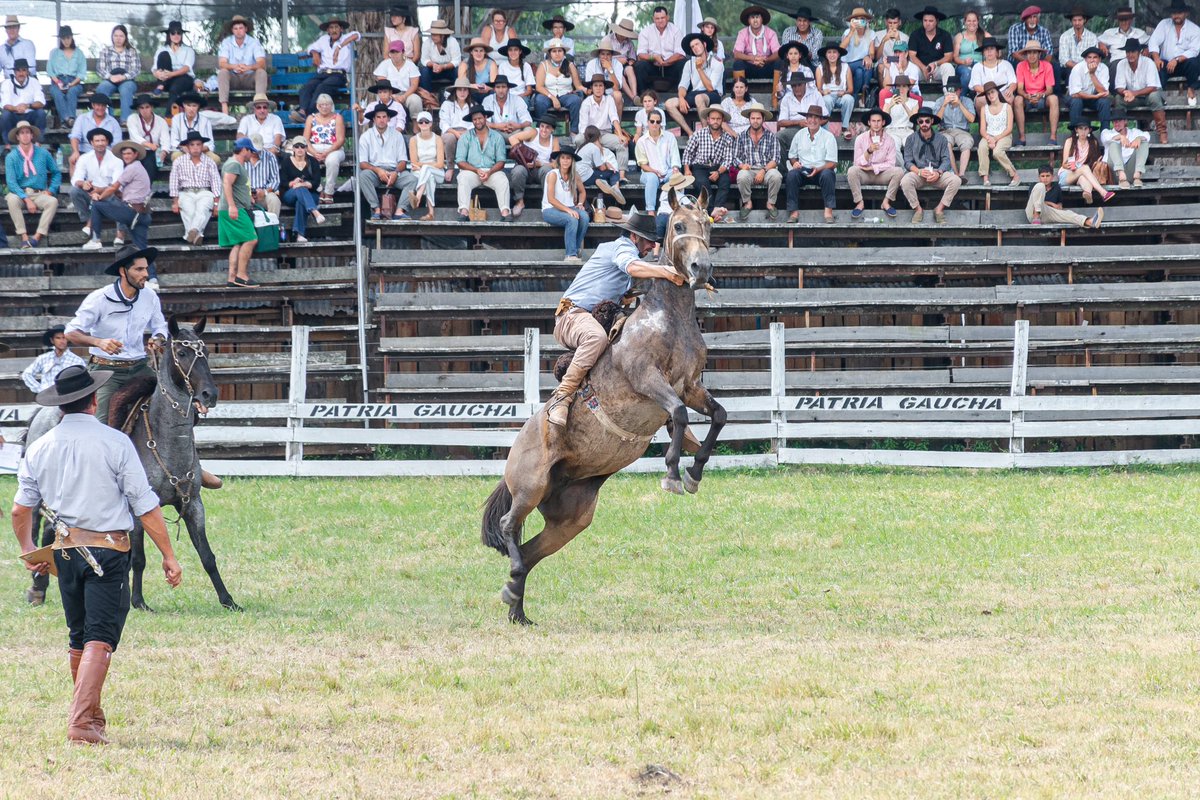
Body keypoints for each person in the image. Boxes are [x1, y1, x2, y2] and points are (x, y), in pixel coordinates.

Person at [12, 361, 183, 744]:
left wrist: (29, 552)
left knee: (80, 636)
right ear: (93, 400)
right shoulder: (116, 442)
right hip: (107, 551)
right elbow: (145, 506)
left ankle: (91, 716)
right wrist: (168, 555)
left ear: (61, 406)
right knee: (100, 637)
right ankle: (81, 724)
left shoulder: (39, 447)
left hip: (65, 553)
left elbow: (20, 510)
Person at [545, 210, 682, 426]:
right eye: (647, 241)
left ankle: (669, 413)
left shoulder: (625, 253)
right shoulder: (621, 247)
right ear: (634, 236)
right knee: (596, 338)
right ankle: (562, 397)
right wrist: (665, 271)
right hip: (571, 316)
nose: (650, 247)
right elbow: (631, 266)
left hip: (590, 317)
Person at [64, 245, 167, 424]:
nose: (146, 274)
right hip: (106, 371)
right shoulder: (99, 298)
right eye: (139, 269)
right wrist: (98, 342)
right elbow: (70, 333)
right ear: (123, 271)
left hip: (140, 367)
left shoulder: (150, 296)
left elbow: (160, 326)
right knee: (100, 423)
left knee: (172, 401)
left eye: (146, 268)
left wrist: (158, 338)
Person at [83, 140, 152, 257]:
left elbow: (113, 188)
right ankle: (152, 275)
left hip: (131, 211)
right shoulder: (138, 168)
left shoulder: (132, 168)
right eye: (124, 154)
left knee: (96, 205)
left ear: (136, 155)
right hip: (142, 214)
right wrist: (99, 190)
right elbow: (119, 192)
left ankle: (95, 240)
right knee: (142, 251)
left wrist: (99, 197)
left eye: (129, 153)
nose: (126, 156)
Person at [900, 106, 961, 224]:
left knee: (956, 181)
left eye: (927, 121)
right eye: (921, 121)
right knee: (905, 181)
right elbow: (907, 161)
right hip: (918, 173)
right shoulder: (910, 139)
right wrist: (918, 171)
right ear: (917, 122)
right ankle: (918, 209)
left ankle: (939, 209)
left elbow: (946, 160)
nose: (924, 124)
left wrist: (938, 173)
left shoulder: (942, 139)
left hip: (937, 173)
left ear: (932, 121)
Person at [6, 121, 60, 249]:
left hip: (39, 193)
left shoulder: (43, 153)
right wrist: (25, 198)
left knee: (52, 201)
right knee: (11, 200)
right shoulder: (11, 156)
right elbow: (11, 183)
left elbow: (56, 172)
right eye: (22, 133)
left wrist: (51, 190)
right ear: (17, 137)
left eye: (27, 132)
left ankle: (37, 237)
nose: (25, 135)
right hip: (20, 193)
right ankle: (24, 237)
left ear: (32, 135)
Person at [295, 18, 360, 121]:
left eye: (336, 27)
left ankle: (309, 116)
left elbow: (356, 35)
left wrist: (339, 46)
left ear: (341, 29)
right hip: (323, 74)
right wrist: (315, 53)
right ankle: (302, 111)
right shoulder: (324, 39)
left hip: (338, 75)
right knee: (306, 87)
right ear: (328, 30)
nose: (334, 30)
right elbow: (311, 47)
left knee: (322, 88)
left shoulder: (346, 38)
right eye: (331, 28)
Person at [455, 104, 512, 221]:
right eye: (474, 119)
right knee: (463, 177)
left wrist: (490, 172)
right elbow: (460, 161)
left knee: (503, 180)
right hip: (472, 171)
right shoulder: (465, 137)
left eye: (480, 118)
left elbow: (501, 161)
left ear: (485, 117)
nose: (477, 122)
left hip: (492, 171)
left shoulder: (497, 137)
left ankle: (505, 212)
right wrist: (476, 170)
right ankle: (464, 211)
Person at [358, 106, 415, 221]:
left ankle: (400, 211)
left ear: (389, 118)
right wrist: (378, 171)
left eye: (384, 117)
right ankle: (376, 210)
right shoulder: (366, 136)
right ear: (373, 119)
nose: (381, 119)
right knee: (363, 176)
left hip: (394, 170)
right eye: (378, 117)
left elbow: (403, 161)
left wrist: (395, 173)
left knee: (412, 179)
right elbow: (363, 163)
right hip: (375, 171)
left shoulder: (397, 135)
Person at [218, 138, 261, 288]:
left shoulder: (237, 165)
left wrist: (248, 197)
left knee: (238, 244)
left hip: (237, 207)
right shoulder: (233, 164)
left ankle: (231, 278)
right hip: (234, 209)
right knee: (251, 239)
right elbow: (227, 183)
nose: (251, 154)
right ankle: (241, 276)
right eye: (250, 151)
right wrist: (232, 206)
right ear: (244, 150)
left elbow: (236, 186)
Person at [848, 107, 904, 218]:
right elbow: (857, 162)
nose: (876, 124)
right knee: (852, 171)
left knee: (899, 171)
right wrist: (868, 152)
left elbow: (890, 163)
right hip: (865, 173)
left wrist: (874, 167)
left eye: (879, 121)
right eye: (873, 121)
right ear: (869, 122)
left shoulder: (890, 140)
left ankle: (886, 202)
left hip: (881, 174)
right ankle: (859, 202)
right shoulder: (860, 139)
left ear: (883, 122)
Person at [784, 105, 837, 223]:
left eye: (816, 117)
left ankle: (828, 211)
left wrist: (818, 169)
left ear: (821, 120)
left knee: (828, 175)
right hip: (803, 169)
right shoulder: (799, 135)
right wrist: (795, 163)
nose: (812, 120)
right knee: (792, 175)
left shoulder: (828, 137)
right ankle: (793, 212)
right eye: (810, 117)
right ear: (806, 119)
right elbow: (792, 156)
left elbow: (832, 163)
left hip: (822, 170)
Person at [681, 106, 735, 218]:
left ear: (722, 120)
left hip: (718, 167)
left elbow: (728, 159)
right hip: (700, 166)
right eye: (713, 118)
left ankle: (717, 208)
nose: (715, 121)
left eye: (718, 119)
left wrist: (718, 173)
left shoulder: (727, 138)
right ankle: (712, 211)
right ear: (708, 120)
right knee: (702, 183)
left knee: (725, 182)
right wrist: (687, 169)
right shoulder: (699, 134)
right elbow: (688, 153)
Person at [169, 131, 220, 245]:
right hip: (186, 192)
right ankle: (198, 235)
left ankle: (191, 234)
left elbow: (216, 182)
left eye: (198, 144)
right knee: (189, 210)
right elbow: (174, 182)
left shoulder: (209, 162)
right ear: (187, 147)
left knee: (202, 209)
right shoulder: (179, 161)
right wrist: (175, 202)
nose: (195, 148)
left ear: (202, 146)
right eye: (192, 145)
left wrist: (216, 203)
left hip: (205, 191)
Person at [733, 102, 782, 221]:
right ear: (749, 119)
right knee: (741, 176)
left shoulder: (771, 136)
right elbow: (735, 157)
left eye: (758, 118)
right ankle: (747, 202)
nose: (755, 121)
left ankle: (771, 203)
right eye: (753, 118)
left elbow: (776, 159)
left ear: (763, 119)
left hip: (767, 170)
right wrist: (742, 165)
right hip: (749, 170)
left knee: (776, 176)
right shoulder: (741, 136)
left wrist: (763, 170)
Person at [541, 145, 589, 262]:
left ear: (572, 161)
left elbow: (582, 192)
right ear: (559, 160)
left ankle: (576, 249)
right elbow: (551, 199)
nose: (565, 161)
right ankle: (570, 255)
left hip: (570, 207)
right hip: (550, 209)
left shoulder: (575, 175)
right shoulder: (553, 174)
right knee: (571, 219)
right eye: (563, 158)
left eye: (568, 158)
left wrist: (581, 203)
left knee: (584, 216)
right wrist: (568, 210)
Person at [1149, 0, 1200, 108]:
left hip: (1184, 63)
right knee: (1157, 66)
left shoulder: (1195, 29)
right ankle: (1160, 96)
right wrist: (1157, 59)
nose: (1176, 16)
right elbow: (1153, 41)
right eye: (1174, 13)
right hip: (1166, 64)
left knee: (1194, 62)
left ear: (1186, 14)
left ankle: (1191, 89)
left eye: (1179, 13)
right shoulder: (1164, 24)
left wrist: (1176, 60)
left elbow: (1194, 50)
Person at [70, 129, 123, 233]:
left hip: (109, 194)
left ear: (107, 142)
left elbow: (117, 185)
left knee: (119, 197)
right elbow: (76, 179)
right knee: (74, 191)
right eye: (97, 141)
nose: (100, 143)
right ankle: (88, 219)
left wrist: (100, 191)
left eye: (103, 140)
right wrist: (83, 183)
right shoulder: (84, 158)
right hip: (90, 193)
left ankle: (92, 225)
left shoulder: (117, 160)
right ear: (91, 143)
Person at [1116, 40, 1169, 143]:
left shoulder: (1149, 63)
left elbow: (1152, 87)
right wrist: (1125, 93)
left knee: (1154, 96)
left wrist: (1133, 93)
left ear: (1139, 52)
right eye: (1128, 52)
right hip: (1132, 97)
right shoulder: (1121, 64)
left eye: (1133, 52)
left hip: (1148, 95)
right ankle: (1121, 133)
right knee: (1118, 99)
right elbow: (1119, 87)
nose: (1130, 55)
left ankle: (1162, 131)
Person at [216, 15, 268, 116]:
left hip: (249, 77)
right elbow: (222, 63)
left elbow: (261, 63)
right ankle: (224, 110)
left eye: (241, 28)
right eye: (235, 28)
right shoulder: (226, 42)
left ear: (246, 29)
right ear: (232, 30)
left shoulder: (254, 42)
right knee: (223, 72)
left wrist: (249, 67)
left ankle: (259, 107)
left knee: (261, 72)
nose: (238, 31)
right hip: (233, 77)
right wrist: (234, 66)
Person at [533, 39, 584, 136]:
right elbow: (539, 87)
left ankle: (574, 132)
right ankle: (542, 131)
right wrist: (552, 98)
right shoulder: (544, 65)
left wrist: (588, 90)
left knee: (575, 100)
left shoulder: (569, 65)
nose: (557, 54)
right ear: (549, 53)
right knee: (539, 101)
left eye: (560, 51)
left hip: (565, 94)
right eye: (554, 51)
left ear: (564, 52)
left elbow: (578, 86)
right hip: (547, 94)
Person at [279, 136, 325, 243]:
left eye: (302, 146)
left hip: (310, 193)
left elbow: (316, 181)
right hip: (290, 194)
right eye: (296, 146)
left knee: (301, 199)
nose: (299, 149)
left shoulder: (313, 161)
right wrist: (293, 183)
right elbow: (283, 182)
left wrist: (304, 184)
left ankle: (300, 235)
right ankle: (315, 211)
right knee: (299, 189)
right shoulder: (286, 162)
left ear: (306, 148)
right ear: (293, 149)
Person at [302, 94, 346, 204]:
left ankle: (329, 192)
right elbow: (305, 140)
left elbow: (340, 140)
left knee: (332, 161)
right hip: (314, 147)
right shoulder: (311, 118)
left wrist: (327, 152)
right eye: (321, 105)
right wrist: (314, 152)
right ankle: (319, 189)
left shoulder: (337, 117)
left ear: (331, 106)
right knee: (305, 159)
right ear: (317, 106)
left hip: (334, 148)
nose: (324, 107)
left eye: (327, 105)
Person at [1027, 163, 1102, 227]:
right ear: (1039, 177)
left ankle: (1089, 221)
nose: (1045, 178)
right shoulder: (1034, 185)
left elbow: (1059, 205)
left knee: (1067, 213)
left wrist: (1058, 206)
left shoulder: (1056, 187)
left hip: (1047, 214)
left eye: (1047, 176)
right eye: (1042, 176)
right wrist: (1052, 204)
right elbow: (1035, 202)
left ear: (1052, 177)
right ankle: (1036, 218)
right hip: (1032, 213)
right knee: (1040, 186)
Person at [1014, 40, 1059, 146]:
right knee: (1017, 99)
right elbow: (1020, 88)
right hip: (1027, 97)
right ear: (1026, 55)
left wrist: (1041, 95)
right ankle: (1022, 137)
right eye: (1029, 53)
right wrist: (1026, 95)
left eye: (1035, 52)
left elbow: (1049, 89)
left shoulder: (1047, 65)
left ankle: (1053, 137)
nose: (1032, 55)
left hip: (1042, 96)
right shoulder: (1021, 65)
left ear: (1039, 54)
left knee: (1054, 99)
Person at [635, 108, 681, 211]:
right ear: (647, 122)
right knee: (652, 178)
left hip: (668, 171)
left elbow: (675, 155)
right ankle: (650, 210)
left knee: (678, 177)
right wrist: (654, 171)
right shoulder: (641, 141)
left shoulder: (670, 137)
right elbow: (643, 165)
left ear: (661, 123)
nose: (655, 124)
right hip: (649, 172)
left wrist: (675, 169)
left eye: (658, 121)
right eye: (652, 121)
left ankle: (676, 208)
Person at [1059, 120, 1113, 204]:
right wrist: (1074, 167)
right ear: (1076, 130)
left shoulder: (1093, 142)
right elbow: (1064, 164)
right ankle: (1104, 193)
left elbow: (1093, 163)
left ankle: (1087, 193)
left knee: (1082, 177)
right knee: (1084, 168)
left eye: (1085, 129)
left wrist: (1096, 162)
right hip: (1067, 174)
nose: (1083, 132)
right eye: (1080, 129)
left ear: (1089, 130)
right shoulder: (1070, 141)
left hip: (1083, 174)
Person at [977, 82, 1019, 186]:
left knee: (997, 152)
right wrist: (989, 138)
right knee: (981, 147)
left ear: (997, 92)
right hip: (989, 135)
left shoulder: (1007, 107)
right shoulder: (984, 108)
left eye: (993, 92)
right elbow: (982, 129)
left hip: (1004, 135)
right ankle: (985, 178)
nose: (991, 95)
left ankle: (1014, 174)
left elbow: (1009, 128)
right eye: (988, 94)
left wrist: (995, 139)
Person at [22, 326, 85, 393]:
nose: (62, 341)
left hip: (67, 398)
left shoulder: (77, 361)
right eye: (58, 338)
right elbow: (27, 374)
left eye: (64, 338)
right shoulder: (43, 358)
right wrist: (40, 390)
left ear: (67, 339)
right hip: (47, 398)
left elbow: (83, 380)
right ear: (52, 340)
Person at [933, 77, 976, 176]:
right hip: (945, 130)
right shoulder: (940, 101)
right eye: (950, 89)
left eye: (955, 89)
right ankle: (956, 175)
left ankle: (962, 174)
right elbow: (935, 121)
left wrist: (960, 104)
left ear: (960, 90)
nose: (952, 92)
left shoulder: (967, 101)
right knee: (945, 143)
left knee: (967, 143)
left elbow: (972, 119)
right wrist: (944, 104)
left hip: (962, 131)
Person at [371, 47, 423, 130]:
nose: (395, 55)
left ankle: (416, 127)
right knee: (382, 97)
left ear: (403, 52)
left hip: (407, 93)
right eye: (392, 52)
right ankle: (384, 127)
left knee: (415, 100)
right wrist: (392, 95)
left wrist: (404, 96)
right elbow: (381, 83)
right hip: (389, 92)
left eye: (397, 52)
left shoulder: (410, 64)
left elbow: (414, 84)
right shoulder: (385, 64)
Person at [635, 7, 685, 92]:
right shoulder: (645, 32)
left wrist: (666, 62)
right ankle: (643, 95)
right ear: (653, 19)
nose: (660, 20)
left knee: (684, 63)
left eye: (662, 18)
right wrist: (653, 57)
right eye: (657, 18)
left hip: (671, 65)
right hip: (653, 65)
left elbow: (680, 54)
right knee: (640, 65)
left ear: (667, 17)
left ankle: (680, 94)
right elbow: (640, 54)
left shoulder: (676, 31)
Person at [69, 95, 123, 173]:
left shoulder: (113, 122)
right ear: (93, 105)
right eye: (98, 105)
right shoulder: (82, 118)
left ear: (106, 107)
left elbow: (116, 144)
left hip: (105, 153)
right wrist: (75, 151)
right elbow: (75, 136)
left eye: (103, 106)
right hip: (84, 152)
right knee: (73, 159)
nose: (100, 108)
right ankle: (77, 184)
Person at [96, 25, 140, 121]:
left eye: (121, 36)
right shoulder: (106, 51)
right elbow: (100, 68)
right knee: (102, 88)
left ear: (125, 37)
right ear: (112, 37)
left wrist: (124, 77)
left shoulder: (131, 51)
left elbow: (136, 69)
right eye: (115, 36)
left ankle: (125, 120)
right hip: (110, 79)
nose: (118, 39)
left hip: (126, 79)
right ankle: (107, 119)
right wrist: (110, 77)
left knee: (126, 89)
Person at [408, 111, 446, 219]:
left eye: (426, 121)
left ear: (431, 124)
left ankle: (418, 195)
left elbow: (440, 163)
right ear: (418, 124)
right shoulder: (413, 140)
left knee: (427, 170)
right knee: (429, 176)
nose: (423, 124)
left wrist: (422, 165)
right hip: (420, 173)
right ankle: (431, 213)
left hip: (436, 172)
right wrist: (424, 166)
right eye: (421, 122)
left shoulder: (438, 139)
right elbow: (413, 162)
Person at [153, 21, 201, 106]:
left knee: (175, 88)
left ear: (181, 35)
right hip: (167, 80)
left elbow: (187, 68)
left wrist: (172, 74)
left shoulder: (188, 50)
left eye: (179, 33)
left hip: (184, 79)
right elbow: (155, 68)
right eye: (173, 33)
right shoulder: (161, 49)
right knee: (164, 54)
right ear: (169, 35)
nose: (176, 36)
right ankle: (161, 84)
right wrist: (158, 74)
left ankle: (169, 116)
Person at [909, 5, 956, 89]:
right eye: (925, 20)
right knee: (911, 69)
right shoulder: (915, 35)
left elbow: (949, 56)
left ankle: (950, 97)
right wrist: (923, 68)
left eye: (931, 21)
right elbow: (912, 55)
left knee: (948, 67)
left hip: (937, 68)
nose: (927, 23)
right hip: (920, 68)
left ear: (937, 21)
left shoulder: (945, 35)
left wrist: (935, 63)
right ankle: (910, 98)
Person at [47, 26, 86, 128]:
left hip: (74, 81)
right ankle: (68, 120)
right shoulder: (54, 53)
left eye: (68, 38)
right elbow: (50, 71)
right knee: (57, 93)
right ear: (60, 39)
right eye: (63, 38)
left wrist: (71, 84)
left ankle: (68, 120)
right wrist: (59, 83)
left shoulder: (79, 53)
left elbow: (81, 73)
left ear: (72, 37)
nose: (66, 41)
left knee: (72, 92)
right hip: (58, 81)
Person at [577, 75, 627, 152]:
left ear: (604, 88)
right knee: (578, 139)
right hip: (589, 134)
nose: (598, 88)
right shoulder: (586, 103)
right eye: (595, 86)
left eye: (601, 85)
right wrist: (593, 141)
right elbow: (583, 127)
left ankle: (621, 165)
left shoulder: (609, 99)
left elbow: (614, 118)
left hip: (605, 134)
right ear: (591, 88)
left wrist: (620, 134)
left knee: (622, 144)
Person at [1, 58, 46, 142]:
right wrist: (16, 108)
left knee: (41, 113)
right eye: (18, 70)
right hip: (14, 115)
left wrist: (27, 106)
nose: (21, 73)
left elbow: (41, 102)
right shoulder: (7, 83)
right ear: (14, 72)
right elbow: (5, 104)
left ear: (27, 72)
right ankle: (8, 145)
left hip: (30, 114)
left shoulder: (34, 82)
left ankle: (38, 143)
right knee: (5, 115)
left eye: (24, 70)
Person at [126, 94, 169, 182]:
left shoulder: (161, 121)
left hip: (154, 152)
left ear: (152, 107)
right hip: (137, 150)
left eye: (147, 107)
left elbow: (165, 140)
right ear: (138, 109)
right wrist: (149, 145)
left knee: (150, 162)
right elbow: (135, 136)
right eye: (141, 108)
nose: (145, 110)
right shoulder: (132, 119)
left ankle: (146, 190)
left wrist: (163, 152)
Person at [815, 43, 855, 138]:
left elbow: (850, 89)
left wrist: (844, 92)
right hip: (827, 95)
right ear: (826, 55)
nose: (832, 55)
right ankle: (825, 131)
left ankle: (845, 128)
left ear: (838, 54)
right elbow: (818, 89)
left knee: (849, 99)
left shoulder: (845, 67)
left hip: (841, 95)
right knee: (826, 100)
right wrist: (823, 92)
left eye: (834, 52)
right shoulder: (820, 68)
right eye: (829, 52)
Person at [1102, 111, 1151, 188]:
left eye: (1119, 121)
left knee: (1143, 142)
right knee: (1113, 143)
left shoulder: (1134, 132)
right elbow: (1105, 138)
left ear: (1125, 121)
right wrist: (1120, 137)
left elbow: (1147, 136)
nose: (1116, 123)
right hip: (1114, 173)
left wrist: (1139, 138)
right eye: (1114, 121)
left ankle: (1137, 175)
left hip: (1131, 171)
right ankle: (1121, 175)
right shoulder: (1107, 132)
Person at [576, 126, 625, 203]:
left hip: (578, 178)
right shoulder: (594, 147)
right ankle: (615, 187)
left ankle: (601, 181)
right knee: (614, 172)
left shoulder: (580, 148)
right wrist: (607, 165)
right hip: (587, 177)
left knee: (601, 174)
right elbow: (602, 168)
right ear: (599, 136)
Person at [968, 38, 1016, 115]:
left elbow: (1013, 82)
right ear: (983, 52)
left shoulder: (1006, 64)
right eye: (986, 49)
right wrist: (992, 93)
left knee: (1010, 98)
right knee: (979, 100)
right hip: (985, 94)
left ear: (997, 51)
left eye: (992, 49)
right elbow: (976, 86)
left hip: (1003, 93)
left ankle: (1007, 125)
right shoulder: (977, 67)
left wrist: (1010, 89)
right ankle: (984, 126)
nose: (989, 51)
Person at [732, 5, 780, 82]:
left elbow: (778, 53)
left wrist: (765, 60)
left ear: (762, 19)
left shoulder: (771, 33)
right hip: (750, 67)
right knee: (738, 64)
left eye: (757, 17)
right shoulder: (742, 33)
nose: (755, 20)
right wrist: (754, 58)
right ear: (748, 20)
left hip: (766, 65)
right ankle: (739, 92)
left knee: (779, 63)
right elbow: (737, 54)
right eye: (752, 17)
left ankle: (776, 93)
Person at [777, 73, 823, 152]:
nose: (797, 88)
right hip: (794, 129)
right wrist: (798, 122)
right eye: (794, 86)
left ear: (805, 84)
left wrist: (813, 124)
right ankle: (782, 165)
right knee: (778, 137)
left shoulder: (816, 95)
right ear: (791, 87)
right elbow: (781, 122)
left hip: (815, 127)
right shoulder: (787, 98)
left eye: (799, 85)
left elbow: (825, 117)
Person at [439, 78, 474, 180]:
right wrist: (455, 132)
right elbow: (443, 123)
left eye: (465, 90)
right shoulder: (447, 104)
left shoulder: (472, 105)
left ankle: (467, 166)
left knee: (470, 137)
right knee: (450, 138)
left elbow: (474, 124)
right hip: (450, 131)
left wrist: (465, 132)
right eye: (459, 90)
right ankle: (450, 167)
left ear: (468, 91)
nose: (462, 92)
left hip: (467, 131)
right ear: (455, 91)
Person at [1068, 48, 1112, 130]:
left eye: (1095, 57)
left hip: (1094, 97)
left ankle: (1105, 133)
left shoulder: (1104, 68)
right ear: (1085, 59)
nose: (1092, 60)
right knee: (1076, 102)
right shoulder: (1077, 68)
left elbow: (1103, 92)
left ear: (1100, 59)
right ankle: (1074, 134)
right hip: (1078, 97)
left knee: (1105, 102)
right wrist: (1095, 97)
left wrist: (1092, 74)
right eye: (1089, 57)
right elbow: (1076, 93)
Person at [1059, 7, 1100, 90]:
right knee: (1071, 71)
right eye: (1074, 20)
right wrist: (1078, 67)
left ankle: (1090, 92)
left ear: (1084, 20)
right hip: (1069, 68)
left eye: (1079, 20)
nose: (1077, 23)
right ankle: (1070, 93)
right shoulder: (1065, 36)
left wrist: (1084, 67)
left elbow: (1094, 57)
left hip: (1088, 67)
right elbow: (1064, 59)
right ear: (1071, 21)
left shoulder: (1092, 37)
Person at [419, 19, 461, 100]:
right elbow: (424, 60)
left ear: (443, 35)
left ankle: (456, 95)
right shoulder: (427, 43)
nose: (433, 37)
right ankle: (428, 97)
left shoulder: (452, 42)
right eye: (432, 34)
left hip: (449, 69)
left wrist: (444, 66)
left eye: (435, 35)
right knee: (424, 71)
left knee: (458, 71)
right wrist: (433, 65)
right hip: (433, 69)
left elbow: (456, 61)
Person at [841, 7, 875, 100]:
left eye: (862, 19)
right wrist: (852, 31)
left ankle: (858, 96)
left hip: (862, 66)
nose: (859, 21)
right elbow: (841, 49)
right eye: (857, 19)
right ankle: (865, 96)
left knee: (860, 71)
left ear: (866, 21)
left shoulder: (871, 33)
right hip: (848, 64)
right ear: (853, 21)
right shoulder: (848, 32)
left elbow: (872, 54)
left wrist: (868, 56)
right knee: (864, 65)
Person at [167, 92, 215, 157]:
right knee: (175, 157)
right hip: (182, 151)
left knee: (215, 159)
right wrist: (183, 148)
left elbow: (210, 143)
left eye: (194, 106)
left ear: (198, 107)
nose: (191, 109)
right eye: (188, 105)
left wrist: (198, 149)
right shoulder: (176, 119)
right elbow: (173, 141)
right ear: (184, 105)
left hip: (202, 151)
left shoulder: (205, 120)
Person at [585, 37, 627, 110]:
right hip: (595, 93)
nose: (605, 57)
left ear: (611, 55)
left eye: (608, 54)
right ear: (599, 55)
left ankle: (616, 121)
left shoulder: (617, 64)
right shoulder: (591, 64)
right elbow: (589, 88)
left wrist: (610, 69)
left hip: (611, 94)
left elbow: (616, 88)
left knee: (618, 95)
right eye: (603, 54)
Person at [246, 136, 281, 221]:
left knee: (274, 200)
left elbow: (275, 180)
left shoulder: (270, 157)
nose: (255, 152)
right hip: (245, 194)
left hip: (264, 193)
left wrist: (264, 192)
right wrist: (248, 193)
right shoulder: (242, 157)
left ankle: (272, 227)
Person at [876, 41, 923, 105]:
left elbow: (907, 88)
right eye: (895, 52)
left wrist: (900, 70)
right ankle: (884, 114)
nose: (897, 55)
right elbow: (887, 88)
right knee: (883, 92)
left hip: (911, 95)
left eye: (900, 52)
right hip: (895, 95)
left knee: (912, 97)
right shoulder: (891, 66)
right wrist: (887, 68)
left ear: (906, 53)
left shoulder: (913, 68)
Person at [952, 10, 989, 89]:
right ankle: (962, 98)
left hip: (981, 65)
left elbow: (997, 51)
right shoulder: (960, 36)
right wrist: (963, 62)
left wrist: (987, 60)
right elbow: (955, 57)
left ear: (978, 22)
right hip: (963, 66)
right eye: (969, 21)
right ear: (964, 22)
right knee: (967, 73)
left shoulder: (985, 35)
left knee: (982, 72)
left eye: (974, 21)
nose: (971, 23)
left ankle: (976, 96)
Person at [883, 75, 920, 154]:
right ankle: (902, 166)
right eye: (898, 86)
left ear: (908, 88)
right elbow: (883, 119)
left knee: (911, 146)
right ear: (895, 88)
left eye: (904, 86)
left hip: (907, 131)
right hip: (892, 131)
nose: (901, 89)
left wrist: (904, 104)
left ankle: (909, 166)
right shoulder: (888, 101)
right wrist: (890, 105)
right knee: (894, 148)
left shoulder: (914, 102)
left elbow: (914, 119)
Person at [774, 42, 815, 108]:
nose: (793, 56)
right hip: (788, 99)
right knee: (781, 103)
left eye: (795, 53)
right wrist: (779, 91)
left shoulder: (806, 70)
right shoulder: (784, 72)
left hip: (805, 98)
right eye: (790, 53)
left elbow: (812, 88)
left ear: (800, 55)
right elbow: (781, 95)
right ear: (787, 56)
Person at [610, 18, 642, 97]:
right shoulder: (608, 40)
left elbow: (632, 57)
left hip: (625, 65)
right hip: (611, 65)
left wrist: (631, 61)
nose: (624, 36)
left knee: (630, 69)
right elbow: (602, 57)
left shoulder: (629, 42)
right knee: (620, 76)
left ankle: (635, 95)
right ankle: (633, 97)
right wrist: (617, 60)